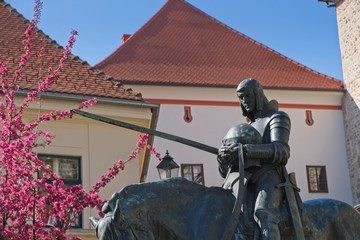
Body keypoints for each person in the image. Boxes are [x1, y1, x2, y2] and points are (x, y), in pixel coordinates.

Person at [217, 78, 291, 240]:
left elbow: (282, 151)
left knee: (264, 213)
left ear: (258, 94)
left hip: (269, 175)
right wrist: (224, 159)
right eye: (241, 98)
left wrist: (244, 150)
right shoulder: (247, 127)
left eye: (247, 96)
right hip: (244, 180)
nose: (244, 101)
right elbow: (226, 173)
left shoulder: (277, 117)